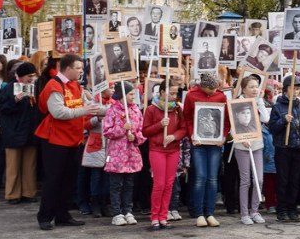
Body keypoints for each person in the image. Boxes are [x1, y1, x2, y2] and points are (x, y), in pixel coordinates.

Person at [34, 54, 99, 230]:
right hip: (55, 139)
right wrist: (84, 110)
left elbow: (90, 106)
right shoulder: (54, 85)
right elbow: (58, 112)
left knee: (68, 179)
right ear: (67, 68)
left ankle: (62, 215)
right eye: (78, 68)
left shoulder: (76, 85)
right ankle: (45, 216)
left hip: (72, 139)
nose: (81, 71)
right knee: (53, 179)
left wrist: (114, 109)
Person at [182, 72, 228, 227]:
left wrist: (223, 136)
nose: (214, 91)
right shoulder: (191, 96)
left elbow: (225, 120)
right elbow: (187, 117)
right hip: (199, 143)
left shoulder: (221, 97)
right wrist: (192, 134)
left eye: (216, 88)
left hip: (215, 143)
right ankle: (199, 213)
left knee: (213, 178)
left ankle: (210, 212)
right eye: (212, 89)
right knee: (200, 177)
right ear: (204, 86)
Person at [142, 82, 187, 230]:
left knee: (169, 184)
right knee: (159, 184)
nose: (174, 97)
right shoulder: (151, 109)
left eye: (175, 94)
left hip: (173, 150)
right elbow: (145, 132)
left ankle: (163, 216)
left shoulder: (177, 109)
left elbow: (183, 129)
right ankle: (154, 217)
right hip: (157, 150)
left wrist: (174, 137)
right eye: (171, 93)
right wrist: (160, 125)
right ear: (161, 92)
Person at [104, 82, 146, 226]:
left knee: (129, 184)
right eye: (130, 94)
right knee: (116, 184)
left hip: (131, 154)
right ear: (122, 96)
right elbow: (107, 131)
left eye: (134, 94)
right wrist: (122, 128)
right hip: (117, 154)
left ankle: (128, 210)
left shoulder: (136, 111)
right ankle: (117, 212)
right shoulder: (113, 111)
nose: (133, 97)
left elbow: (141, 130)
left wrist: (135, 137)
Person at [0, 61, 41, 204]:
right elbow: (2, 109)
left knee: (30, 165)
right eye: (29, 76)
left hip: (30, 132)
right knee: (13, 166)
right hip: (13, 132)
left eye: (33, 76)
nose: (31, 79)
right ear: (21, 77)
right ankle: (12, 194)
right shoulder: (10, 88)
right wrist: (15, 101)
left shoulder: (35, 88)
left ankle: (29, 192)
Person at [268, 75, 300, 222]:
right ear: (286, 89)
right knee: (283, 180)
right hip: (283, 148)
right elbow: (272, 128)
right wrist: (283, 121)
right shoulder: (277, 107)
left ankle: (292, 209)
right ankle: (282, 210)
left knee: (295, 180)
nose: (296, 91)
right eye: (293, 88)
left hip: (297, 148)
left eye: (298, 88)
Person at [232, 74, 268, 226]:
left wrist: (260, 102)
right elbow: (232, 126)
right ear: (244, 89)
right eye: (251, 87)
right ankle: (244, 213)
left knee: (258, 179)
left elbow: (266, 119)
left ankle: (255, 211)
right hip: (242, 146)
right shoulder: (236, 103)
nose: (255, 89)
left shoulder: (258, 102)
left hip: (257, 145)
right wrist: (240, 138)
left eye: (256, 86)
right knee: (245, 180)